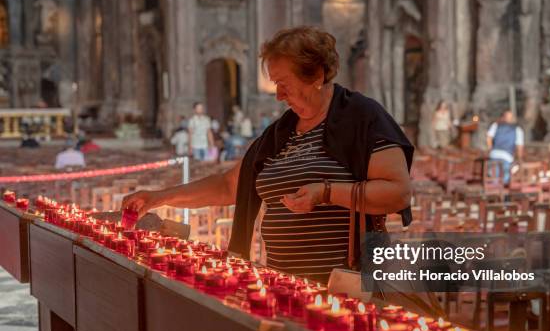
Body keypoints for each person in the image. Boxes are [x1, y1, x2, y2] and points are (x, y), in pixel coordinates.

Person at [122, 26, 413, 282]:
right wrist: (159, 198)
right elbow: (229, 186)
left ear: (316, 74)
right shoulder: (279, 133)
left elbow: (397, 193)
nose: (278, 95)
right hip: (286, 283)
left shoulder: (363, 117)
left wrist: (326, 192)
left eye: (283, 84)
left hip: (348, 285)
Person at [486, 110, 524, 185]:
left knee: (495, 174)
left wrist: (490, 149)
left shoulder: (496, 125)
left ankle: (495, 186)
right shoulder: (517, 130)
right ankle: (502, 189)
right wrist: (520, 159)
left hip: (494, 154)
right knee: (506, 175)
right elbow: (519, 146)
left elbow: (488, 137)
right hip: (507, 156)